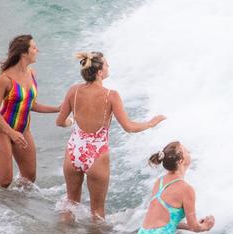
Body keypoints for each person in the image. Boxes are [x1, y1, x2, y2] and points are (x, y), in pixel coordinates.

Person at [56, 52, 165, 220]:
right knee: (97, 213)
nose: (109, 67)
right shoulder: (111, 95)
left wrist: (71, 122)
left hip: (74, 151)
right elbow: (129, 127)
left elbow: (60, 121)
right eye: (106, 64)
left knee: (71, 204)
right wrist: (151, 123)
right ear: (99, 72)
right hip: (97, 154)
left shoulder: (74, 91)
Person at [0, 35, 60, 187]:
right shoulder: (4, 78)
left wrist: (59, 109)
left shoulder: (32, 73)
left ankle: (17, 208)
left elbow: (31, 104)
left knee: (29, 178)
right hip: (2, 131)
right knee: (5, 181)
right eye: (34, 48)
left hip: (23, 130)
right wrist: (11, 133)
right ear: (23, 53)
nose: (37, 50)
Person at [132, 141, 215, 234]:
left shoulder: (159, 181)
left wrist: (192, 224)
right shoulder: (186, 189)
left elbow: (166, 221)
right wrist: (206, 226)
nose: (189, 152)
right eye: (187, 150)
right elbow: (195, 227)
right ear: (181, 160)